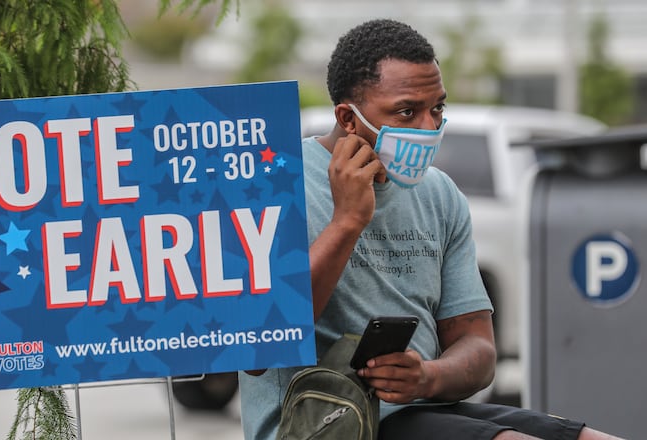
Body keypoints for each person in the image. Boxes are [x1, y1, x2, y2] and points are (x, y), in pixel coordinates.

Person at [238, 18, 622, 440]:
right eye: (407, 112)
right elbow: (256, 348)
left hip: (426, 413)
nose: (429, 127)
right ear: (348, 118)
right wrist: (346, 222)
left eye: (437, 108)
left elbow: (479, 348)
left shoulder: (439, 194)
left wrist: (427, 377)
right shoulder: (274, 185)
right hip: (324, 423)